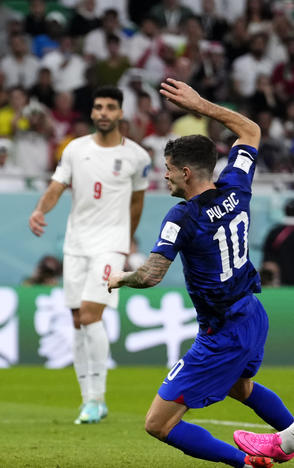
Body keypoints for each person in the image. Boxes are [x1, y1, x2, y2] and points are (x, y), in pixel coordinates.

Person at [107, 78, 294, 468]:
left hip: (222, 331)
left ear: (188, 172)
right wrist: (201, 105)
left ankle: (245, 463)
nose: (166, 177)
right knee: (239, 387)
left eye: (170, 170)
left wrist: (120, 278)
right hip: (253, 314)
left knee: (158, 424)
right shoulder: (237, 187)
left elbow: (152, 274)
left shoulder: (183, 216)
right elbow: (251, 130)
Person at [28, 86, 151, 425]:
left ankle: (98, 397)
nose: (103, 113)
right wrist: (40, 211)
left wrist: (125, 242)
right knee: (77, 320)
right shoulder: (74, 150)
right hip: (76, 244)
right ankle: (88, 400)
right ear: (92, 112)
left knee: (90, 314)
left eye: (110, 107)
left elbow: (137, 202)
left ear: (120, 113)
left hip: (110, 245)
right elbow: (57, 186)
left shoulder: (137, 157)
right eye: (98, 107)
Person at [260, 198, 294, 286]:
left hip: (282, 285)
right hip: (283, 283)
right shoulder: (278, 233)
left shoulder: (276, 232)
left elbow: (268, 263)